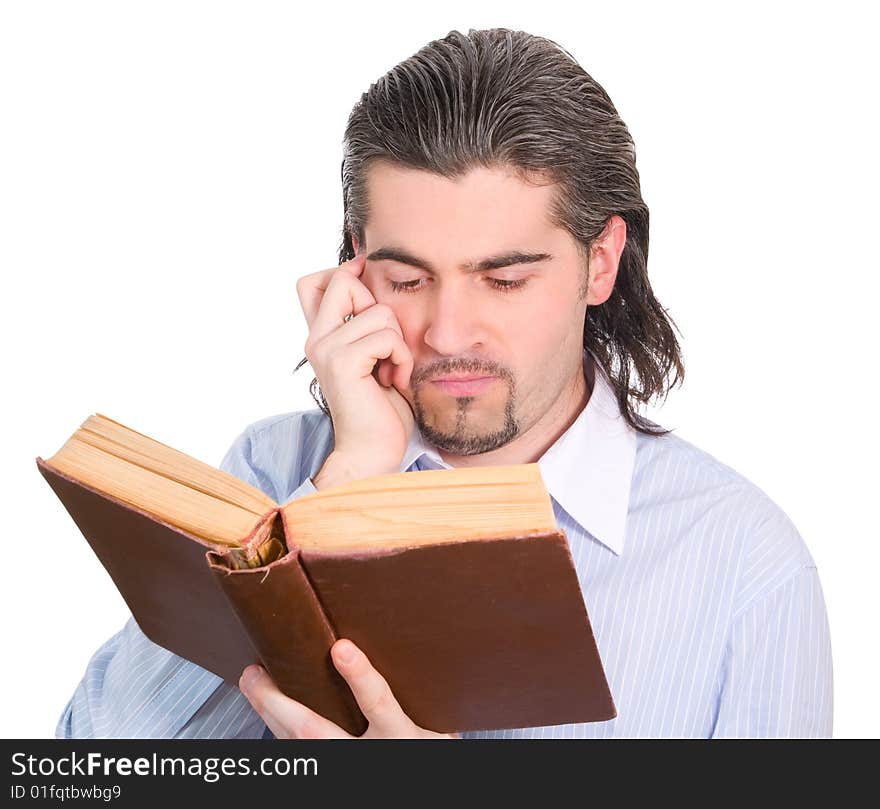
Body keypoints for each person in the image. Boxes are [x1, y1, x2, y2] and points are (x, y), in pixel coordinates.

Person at [56, 27, 832, 739]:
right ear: (356, 262)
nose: (448, 333)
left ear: (600, 263)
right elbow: (79, 765)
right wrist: (348, 479)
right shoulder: (274, 478)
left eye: (503, 280)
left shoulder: (747, 567)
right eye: (406, 276)